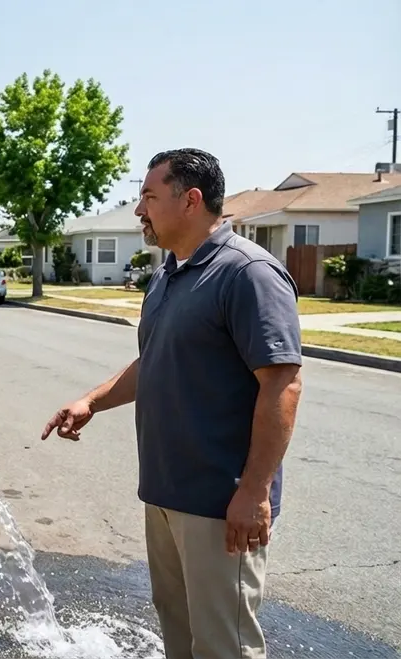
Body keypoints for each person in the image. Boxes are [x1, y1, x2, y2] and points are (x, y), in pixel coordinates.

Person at [41, 148, 303, 659]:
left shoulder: (247, 274)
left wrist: (253, 492)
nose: (139, 209)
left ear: (191, 200)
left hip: (220, 504)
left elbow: (282, 384)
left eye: (149, 196)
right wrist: (91, 401)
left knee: (224, 645)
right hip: (164, 493)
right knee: (178, 638)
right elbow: (152, 361)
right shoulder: (167, 275)